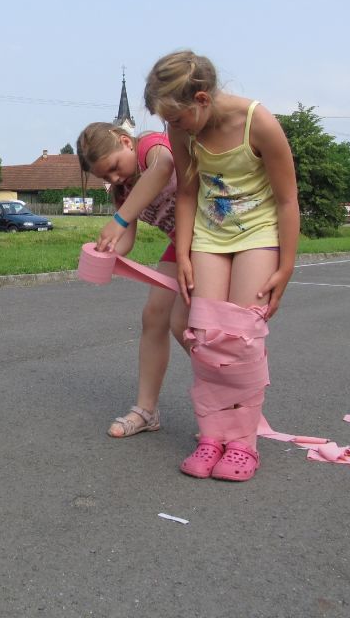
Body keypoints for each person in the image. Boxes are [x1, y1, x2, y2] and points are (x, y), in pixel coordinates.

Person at [144, 50, 299, 482]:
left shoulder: (257, 122)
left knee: (240, 338)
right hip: (210, 236)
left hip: (259, 234)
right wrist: (184, 254)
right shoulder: (182, 129)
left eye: (176, 118)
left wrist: (286, 267)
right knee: (207, 338)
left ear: (201, 99)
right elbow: (187, 192)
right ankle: (212, 435)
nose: (172, 127)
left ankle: (243, 443)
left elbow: (288, 199)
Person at [77, 122, 183, 438]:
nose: (113, 179)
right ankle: (146, 410)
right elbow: (125, 240)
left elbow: (165, 166)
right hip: (181, 244)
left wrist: (119, 220)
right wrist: (104, 254)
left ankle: (231, 406)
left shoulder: (150, 147)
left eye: (113, 167)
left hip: (214, 240)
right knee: (154, 316)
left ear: (125, 142)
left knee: (190, 326)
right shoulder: (123, 191)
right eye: (105, 177)